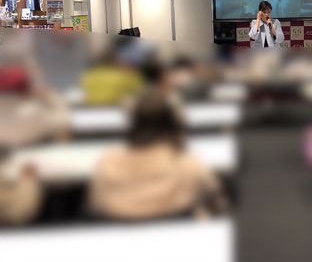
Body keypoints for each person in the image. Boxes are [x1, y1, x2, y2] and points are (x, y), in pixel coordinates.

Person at [89, 90, 225, 220]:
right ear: (175, 124)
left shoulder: (106, 162)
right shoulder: (188, 164)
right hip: (177, 235)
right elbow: (218, 203)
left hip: (117, 234)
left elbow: (95, 205)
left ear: (131, 123)